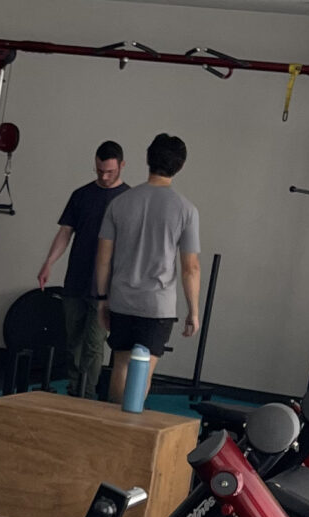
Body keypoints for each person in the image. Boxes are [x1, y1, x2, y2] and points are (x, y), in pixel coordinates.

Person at [93, 132, 201, 403]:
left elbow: (103, 258)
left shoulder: (120, 203)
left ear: (147, 159)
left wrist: (102, 299)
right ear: (181, 166)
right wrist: (193, 311)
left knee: (121, 365)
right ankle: (130, 427)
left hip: (121, 300)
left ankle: (114, 426)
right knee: (144, 370)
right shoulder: (186, 210)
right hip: (157, 305)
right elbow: (191, 268)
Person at [36, 140, 126, 396]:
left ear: (122, 166)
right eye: (100, 171)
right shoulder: (81, 195)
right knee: (73, 339)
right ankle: (75, 388)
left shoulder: (127, 200)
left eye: (110, 171)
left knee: (95, 342)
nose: (105, 176)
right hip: (76, 279)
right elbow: (65, 232)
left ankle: (87, 393)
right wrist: (48, 263)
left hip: (106, 286)